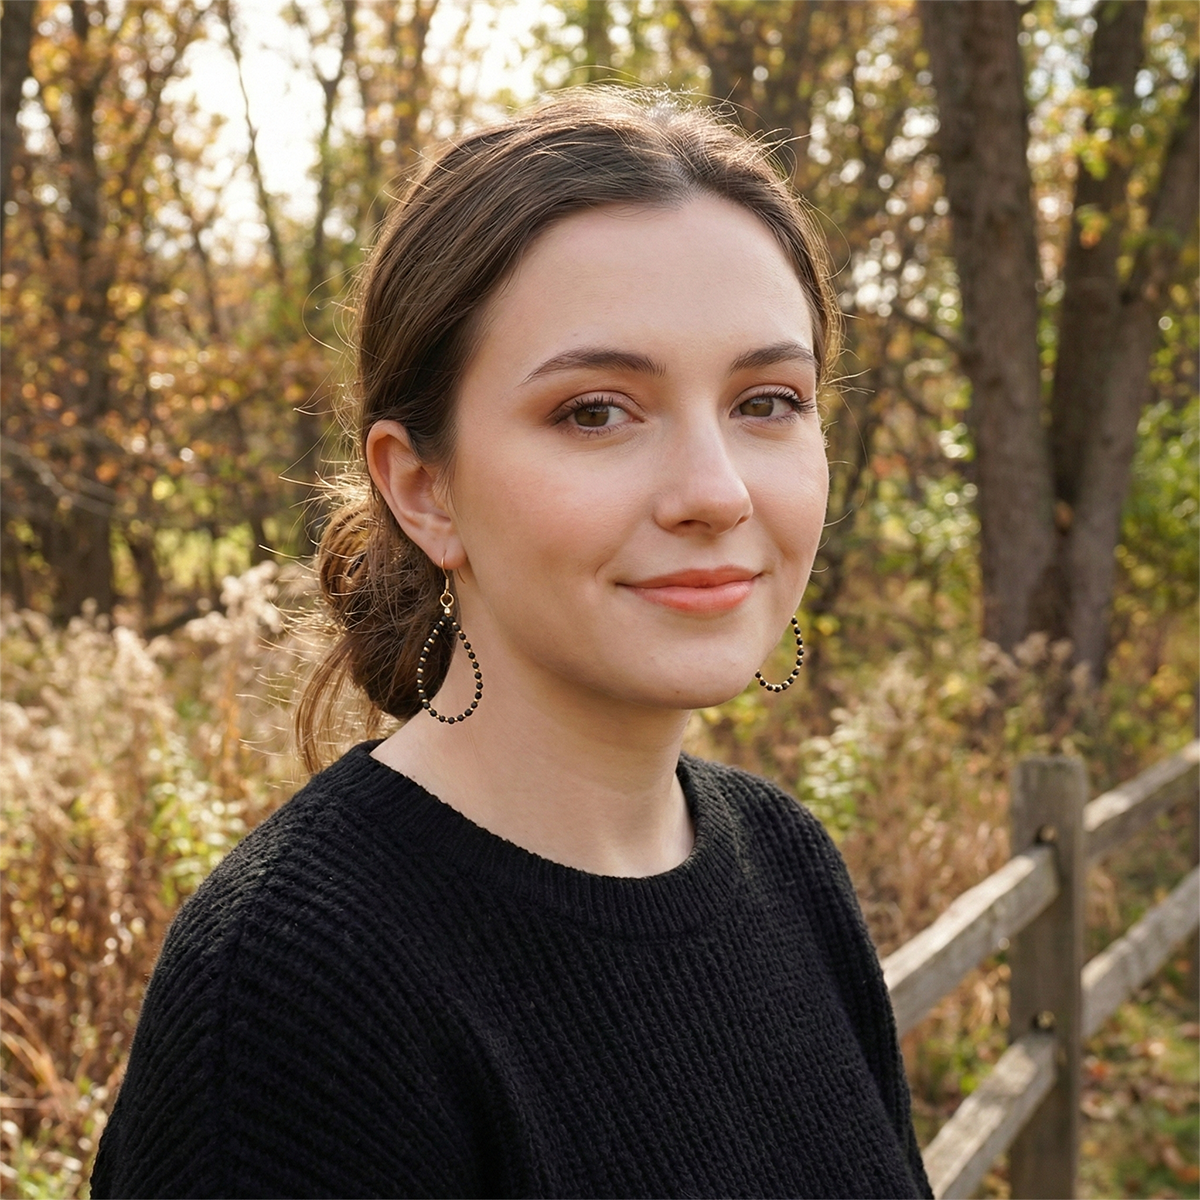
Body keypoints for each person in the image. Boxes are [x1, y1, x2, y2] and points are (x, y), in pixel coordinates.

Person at [92, 89, 932, 1200]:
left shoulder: (785, 866)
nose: (716, 492)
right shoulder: (295, 997)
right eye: (596, 411)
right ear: (424, 489)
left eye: (767, 400)